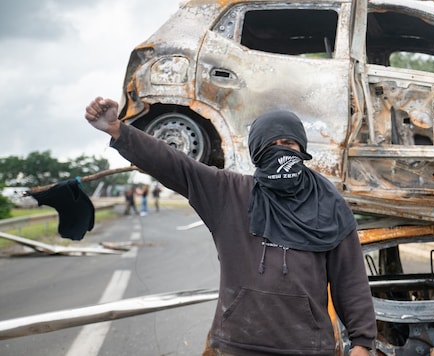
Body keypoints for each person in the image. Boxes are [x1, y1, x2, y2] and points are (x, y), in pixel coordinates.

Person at [85, 97, 376, 356]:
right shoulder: (229, 193)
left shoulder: (330, 206)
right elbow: (173, 164)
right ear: (256, 154)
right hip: (236, 344)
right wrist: (119, 131)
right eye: (269, 147)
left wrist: (362, 342)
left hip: (309, 347)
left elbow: (350, 279)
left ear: (301, 148)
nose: (280, 153)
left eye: (287, 145)